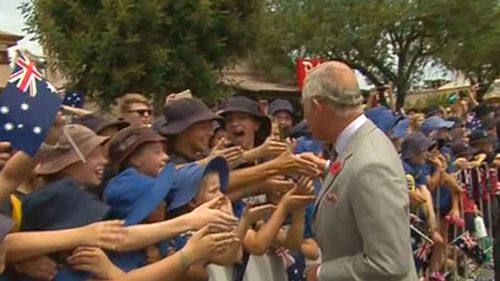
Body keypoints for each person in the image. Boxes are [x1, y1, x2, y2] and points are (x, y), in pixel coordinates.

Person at [302, 61, 417, 280]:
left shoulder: (370, 165)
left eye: (305, 107)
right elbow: (356, 182)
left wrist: (320, 273)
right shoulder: (360, 146)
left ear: (317, 107)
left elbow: (388, 262)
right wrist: (325, 168)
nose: (305, 116)